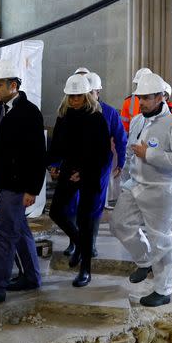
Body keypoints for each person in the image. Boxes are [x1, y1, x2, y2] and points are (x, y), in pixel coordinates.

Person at [111, 73, 172, 307]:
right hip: (135, 185)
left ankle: (163, 289)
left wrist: (151, 154)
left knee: (160, 239)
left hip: (161, 191)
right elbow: (130, 150)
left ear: (160, 97)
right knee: (119, 225)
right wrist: (125, 170)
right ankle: (144, 260)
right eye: (139, 98)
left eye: (147, 98)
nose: (142, 103)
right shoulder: (138, 120)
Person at [0, 59, 46, 307]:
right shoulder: (2, 109)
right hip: (5, 183)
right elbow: (1, 150)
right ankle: (32, 277)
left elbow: (38, 155)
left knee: (4, 235)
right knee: (20, 230)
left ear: (13, 85)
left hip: (19, 186)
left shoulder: (29, 112)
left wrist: (32, 190)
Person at [47, 74, 111, 287]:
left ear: (86, 96)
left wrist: (84, 172)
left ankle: (85, 270)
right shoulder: (64, 116)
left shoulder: (97, 118)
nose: (74, 100)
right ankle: (78, 241)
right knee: (56, 211)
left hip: (90, 173)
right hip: (69, 169)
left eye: (78, 96)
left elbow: (103, 154)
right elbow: (56, 146)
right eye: (71, 96)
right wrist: (53, 164)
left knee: (84, 221)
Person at [58, 72, 127, 261]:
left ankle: (91, 243)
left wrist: (121, 161)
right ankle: (75, 242)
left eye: (91, 92)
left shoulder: (109, 113)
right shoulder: (71, 112)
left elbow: (121, 139)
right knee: (72, 203)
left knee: (94, 205)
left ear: (97, 91)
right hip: (73, 167)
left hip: (98, 168)